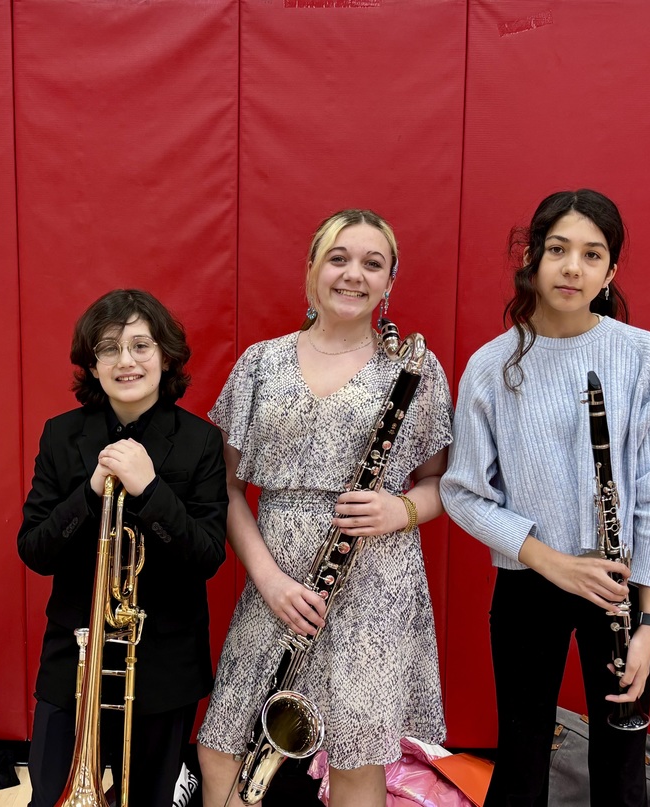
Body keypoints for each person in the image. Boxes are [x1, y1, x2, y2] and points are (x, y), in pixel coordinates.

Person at [440, 189, 650, 807]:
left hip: (620, 585)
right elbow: (463, 494)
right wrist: (553, 562)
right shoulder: (491, 366)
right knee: (521, 759)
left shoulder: (642, 355)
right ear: (532, 258)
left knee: (622, 764)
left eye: (591, 253)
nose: (572, 267)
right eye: (557, 249)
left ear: (611, 272)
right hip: (531, 580)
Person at [196, 209, 454, 807]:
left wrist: (402, 510)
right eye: (338, 258)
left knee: (358, 756)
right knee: (221, 745)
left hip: (375, 579)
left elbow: (443, 482)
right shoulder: (262, 363)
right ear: (311, 270)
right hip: (278, 578)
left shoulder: (415, 370)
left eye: (372, 263)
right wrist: (269, 581)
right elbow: (227, 488)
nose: (353, 275)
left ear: (390, 282)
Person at [18, 289, 228, 807]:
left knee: (150, 799)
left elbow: (207, 555)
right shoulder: (61, 437)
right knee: (51, 796)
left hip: (162, 665)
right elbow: (35, 550)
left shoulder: (200, 442)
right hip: (75, 657)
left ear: (165, 356)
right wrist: (88, 493)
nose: (126, 361)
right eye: (108, 348)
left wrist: (151, 491)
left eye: (140, 345)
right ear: (91, 365)